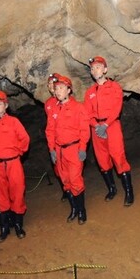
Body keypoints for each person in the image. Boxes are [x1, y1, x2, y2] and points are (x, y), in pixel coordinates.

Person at [84, 56, 134, 206]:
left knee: (118, 157)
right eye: (92, 68)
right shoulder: (90, 92)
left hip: (111, 126)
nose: (95, 70)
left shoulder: (114, 87)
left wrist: (105, 125)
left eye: (98, 67)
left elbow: (117, 107)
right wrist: (96, 126)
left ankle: (129, 192)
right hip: (96, 129)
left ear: (105, 70)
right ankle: (112, 189)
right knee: (102, 160)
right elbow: (87, 112)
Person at [0, 90, 30, 242]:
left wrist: (16, 153)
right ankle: (4, 228)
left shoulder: (13, 122)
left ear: (6, 106)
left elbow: (24, 139)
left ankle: (17, 225)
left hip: (13, 162)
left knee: (17, 192)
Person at [46, 74, 90, 224]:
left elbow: (85, 130)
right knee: (66, 181)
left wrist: (83, 148)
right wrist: (52, 149)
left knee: (76, 180)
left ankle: (81, 211)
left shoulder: (79, 107)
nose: (58, 91)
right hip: (59, 150)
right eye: (56, 88)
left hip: (74, 148)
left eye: (61, 88)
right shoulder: (53, 110)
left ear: (69, 90)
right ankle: (74, 209)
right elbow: (50, 131)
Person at [44, 73, 70, 202]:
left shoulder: (66, 99)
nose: (51, 87)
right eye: (49, 85)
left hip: (67, 139)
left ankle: (73, 190)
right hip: (55, 141)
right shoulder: (48, 104)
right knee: (58, 169)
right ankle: (65, 190)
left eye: (53, 84)